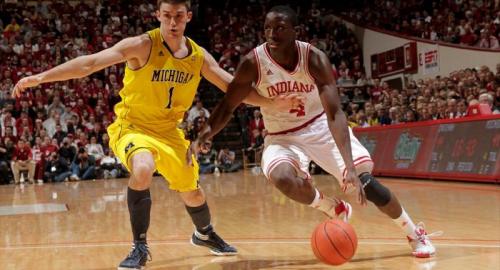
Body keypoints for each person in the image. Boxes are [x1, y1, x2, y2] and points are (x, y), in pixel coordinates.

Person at [12, 1, 301, 269]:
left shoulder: (198, 57)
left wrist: (271, 102)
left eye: (178, 16)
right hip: (133, 126)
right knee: (143, 166)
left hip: (170, 133)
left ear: (188, 17)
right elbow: (90, 63)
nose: (172, 22)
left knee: (193, 191)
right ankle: (139, 246)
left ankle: (204, 233)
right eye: (167, 16)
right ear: (158, 16)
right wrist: (41, 77)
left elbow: (232, 86)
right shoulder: (142, 45)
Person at [194, 5, 437, 258]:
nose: (272, 34)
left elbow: (335, 113)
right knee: (282, 178)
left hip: (319, 126)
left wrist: (350, 168)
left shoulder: (313, 58)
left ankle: (414, 232)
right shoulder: (252, 62)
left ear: (295, 31)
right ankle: (332, 207)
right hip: (282, 136)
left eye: (279, 28)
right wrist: (206, 133)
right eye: (267, 28)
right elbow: (228, 105)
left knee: (366, 184)